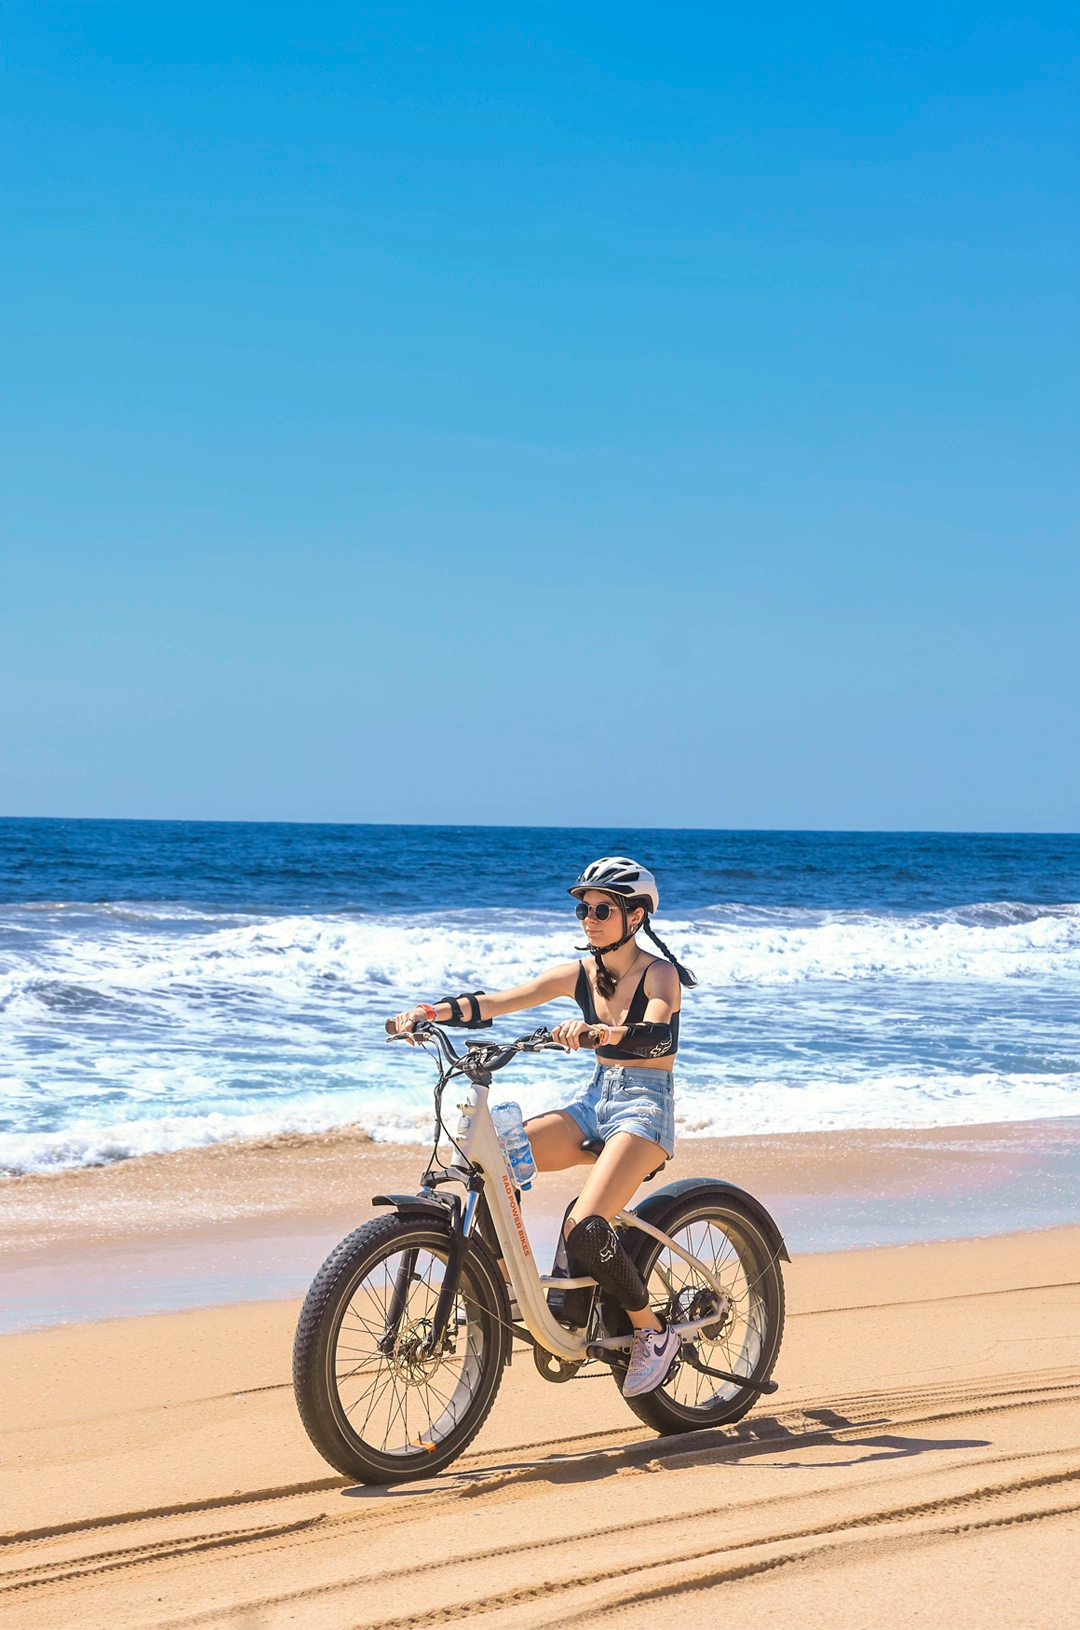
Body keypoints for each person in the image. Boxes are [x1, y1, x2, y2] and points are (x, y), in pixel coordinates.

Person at [389, 856, 697, 1399]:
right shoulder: (578, 975)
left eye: (603, 908)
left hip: (644, 1110)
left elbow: (658, 1037)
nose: (589, 918)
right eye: (583, 907)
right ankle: (510, 1286)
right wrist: (429, 1013)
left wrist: (602, 1034)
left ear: (636, 915)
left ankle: (651, 1331)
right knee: (493, 1164)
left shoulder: (659, 973)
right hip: (593, 1102)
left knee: (585, 1227)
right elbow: (499, 1001)